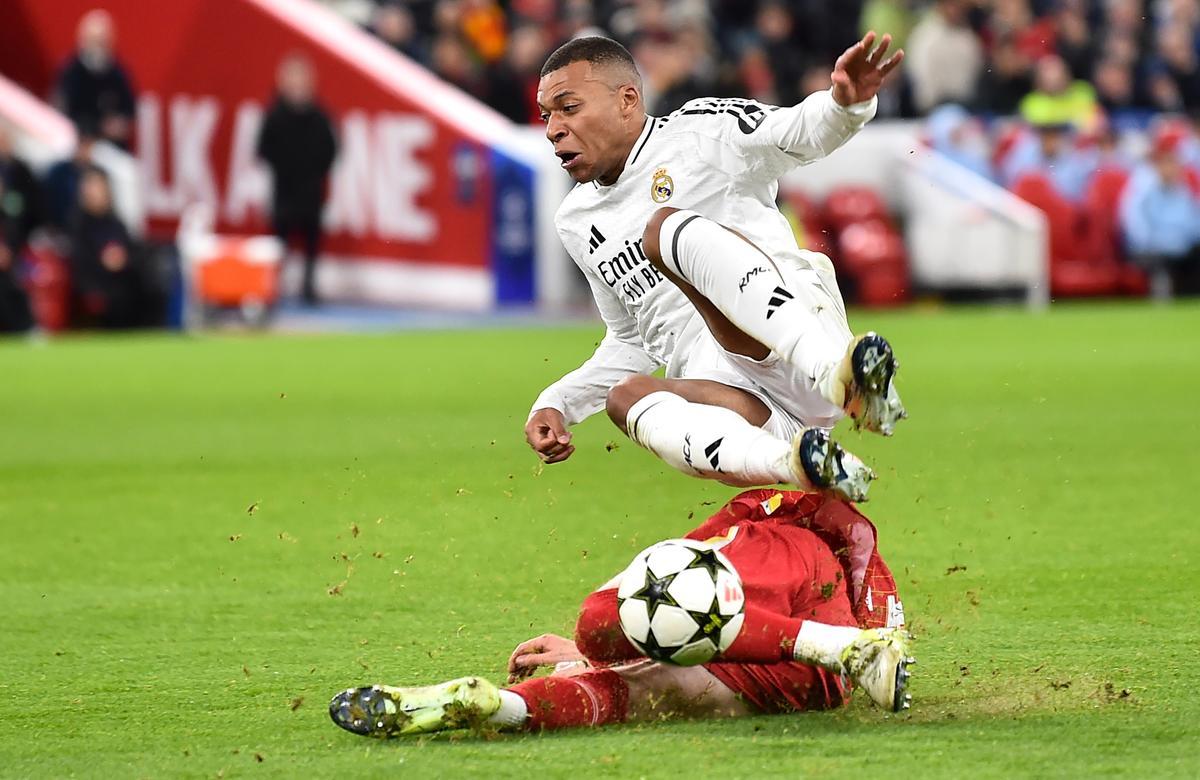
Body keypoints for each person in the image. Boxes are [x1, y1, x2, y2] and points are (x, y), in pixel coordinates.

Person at [523, 35, 907, 505]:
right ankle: (801, 461)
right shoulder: (576, 220)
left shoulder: (701, 132)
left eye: (568, 108)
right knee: (624, 398)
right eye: (547, 116)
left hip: (796, 344)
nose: (553, 130)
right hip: (740, 404)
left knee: (664, 231)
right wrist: (558, 401)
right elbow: (630, 340)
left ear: (627, 100)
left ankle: (841, 376)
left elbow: (795, 133)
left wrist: (846, 103)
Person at [329, 489, 914, 737]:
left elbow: (701, 549)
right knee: (638, 687)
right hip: (812, 665)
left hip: (784, 565)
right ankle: (502, 708)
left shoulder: (779, 504)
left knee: (619, 642)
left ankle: (511, 706)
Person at [256, 54, 338, 306]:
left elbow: (332, 148)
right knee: (279, 239)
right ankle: (273, 286)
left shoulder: (319, 115)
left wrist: (316, 171)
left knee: (312, 237)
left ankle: (308, 285)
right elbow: (263, 148)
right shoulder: (275, 115)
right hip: (284, 188)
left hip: (311, 189)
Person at [1118, 123, 1200, 297]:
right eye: (1169, 161)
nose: (1174, 167)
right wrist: (1162, 244)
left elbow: (1193, 223)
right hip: (1150, 249)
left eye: (1176, 161)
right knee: (1159, 260)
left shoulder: (1182, 188)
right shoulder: (1141, 186)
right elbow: (1135, 227)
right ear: (1158, 162)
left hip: (1180, 248)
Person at [66, 166, 144, 328]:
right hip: (93, 282)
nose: (92, 192)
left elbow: (132, 250)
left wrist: (122, 258)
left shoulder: (116, 223)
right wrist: (103, 261)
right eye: (88, 187)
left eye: (96, 187)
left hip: (121, 281)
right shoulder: (78, 224)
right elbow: (78, 260)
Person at [54, 10, 136, 150]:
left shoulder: (118, 74)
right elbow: (61, 111)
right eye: (94, 40)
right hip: (77, 146)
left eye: (102, 41)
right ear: (83, 40)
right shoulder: (70, 73)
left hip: (111, 147)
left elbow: (129, 112)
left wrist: (119, 125)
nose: (98, 46)